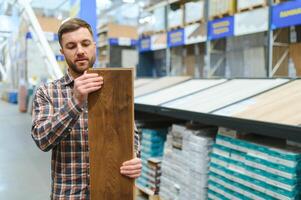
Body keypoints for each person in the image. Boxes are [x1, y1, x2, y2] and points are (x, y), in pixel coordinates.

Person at [31, 18, 142, 200]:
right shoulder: (47, 92)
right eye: (71, 46)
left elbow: (132, 134)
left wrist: (134, 158)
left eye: (85, 43)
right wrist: (75, 101)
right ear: (62, 52)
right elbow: (42, 141)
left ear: (94, 46)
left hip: (112, 191)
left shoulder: (115, 86)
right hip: (68, 195)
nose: (80, 51)